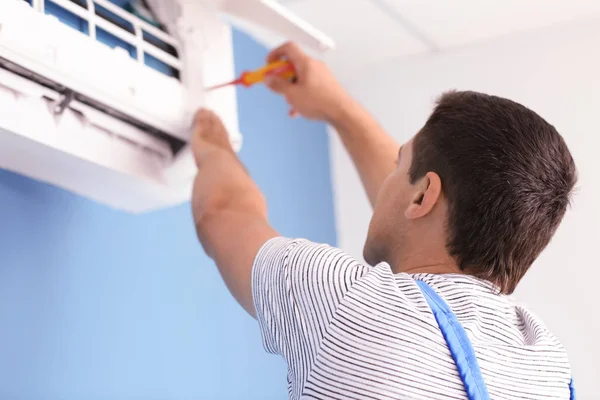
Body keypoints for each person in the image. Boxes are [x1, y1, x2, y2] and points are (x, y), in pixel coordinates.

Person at [190, 41, 577, 400]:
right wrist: (336, 107)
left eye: (399, 163)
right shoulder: (547, 364)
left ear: (424, 194)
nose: (390, 176)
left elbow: (220, 212)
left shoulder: (344, 302)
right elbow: (419, 221)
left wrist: (211, 140)